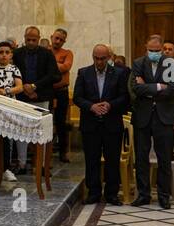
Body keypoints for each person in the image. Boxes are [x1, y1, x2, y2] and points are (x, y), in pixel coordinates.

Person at [129, 34, 174, 209]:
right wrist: (159, 86)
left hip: (164, 116)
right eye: (150, 50)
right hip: (143, 116)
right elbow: (135, 88)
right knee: (141, 157)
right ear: (145, 47)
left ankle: (163, 195)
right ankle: (144, 194)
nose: (154, 53)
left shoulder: (170, 63)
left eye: (157, 51)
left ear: (162, 49)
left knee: (164, 157)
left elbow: (173, 90)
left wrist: (148, 88)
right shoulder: (138, 63)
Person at [73, 44, 128, 204]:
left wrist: (110, 105)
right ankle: (94, 192)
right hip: (90, 124)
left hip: (112, 123)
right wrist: (91, 106)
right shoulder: (84, 73)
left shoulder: (119, 73)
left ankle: (111, 193)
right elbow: (77, 97)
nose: (99, 62)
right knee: (92, 159)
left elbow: (124, 97)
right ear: (93, 57)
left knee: (112, 159)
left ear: (109, 58)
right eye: (96, 58)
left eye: (103, 58)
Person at [12, 26, 58, 174]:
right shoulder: (17, 53)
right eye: (28, 39)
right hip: (21, 96)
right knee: (21, 131)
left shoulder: (47, 54)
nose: (31, 42)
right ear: (24, 38)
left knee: (41, 132)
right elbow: (13, 73)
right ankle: (22, 163)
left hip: (41, 96)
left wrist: (34, 87)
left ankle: (42, 165)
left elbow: (53, 75)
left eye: (34, 40)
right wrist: (25, 88)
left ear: (39, 39)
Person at [0, 40, 23, 182]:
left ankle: (6, 168)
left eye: (7, 52)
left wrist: (6, 91)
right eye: (1, 52)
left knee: (7, 138)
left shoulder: (14, 69)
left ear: (11, 55)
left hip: (8, 107)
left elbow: (19, 87)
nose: (4, 55)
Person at [50, 29, 74, 162]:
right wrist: (57, 64)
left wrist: (51, 64)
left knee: (61, 122)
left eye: (61, 39)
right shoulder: (45, 52)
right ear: (51, 37)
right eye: (56, 38)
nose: (58, 41)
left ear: (64, 41)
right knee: (45, 120)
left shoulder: (67, 53)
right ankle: (45, 152)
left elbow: (66, 67)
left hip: (61, 91)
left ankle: (63, 152)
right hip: (47, 90)